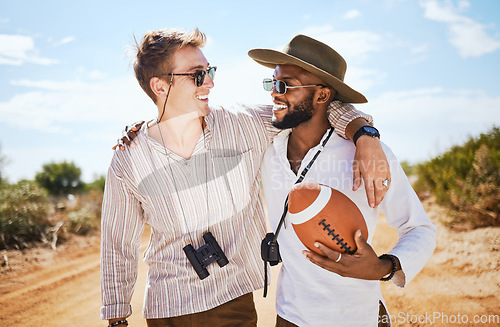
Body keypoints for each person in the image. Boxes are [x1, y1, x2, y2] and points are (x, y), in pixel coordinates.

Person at [100, 28, 389, 327]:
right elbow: (117, 243)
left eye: (209, 71)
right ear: (160, 86)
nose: (210, 82)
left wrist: (364, 134)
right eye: (197, 75)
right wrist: (116, 318)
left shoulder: (244, 124)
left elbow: (315, 105)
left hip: (231, 303)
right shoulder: (128, 156)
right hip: (165, 309)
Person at [249, 34, 437, 327]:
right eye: (271, 83)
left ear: (322, 95)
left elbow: (419, 228)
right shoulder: (266, 147)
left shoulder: (367, 155)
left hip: (357, 316)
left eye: (284, 85)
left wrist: (384, 267)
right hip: (290, 316)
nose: (274, 93)